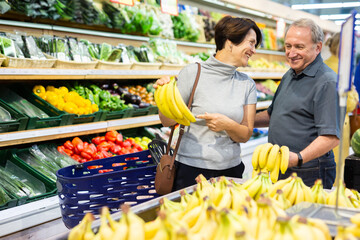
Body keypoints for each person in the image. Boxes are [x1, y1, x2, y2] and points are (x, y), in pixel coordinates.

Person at [154, 15, 262, 191]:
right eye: (251, 43)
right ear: (230, 42)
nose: (253, 50)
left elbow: (245, 134)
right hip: (190, 170)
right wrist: (162, 93)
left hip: (231, 171)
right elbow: (167, 121)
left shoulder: (247, 84)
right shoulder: (192, 73)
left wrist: (228, 125)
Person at [255, 18, 341, 189]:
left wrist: (298, 158)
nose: (291, 53)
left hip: (309, 170)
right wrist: (242, 120)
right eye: (288, 46)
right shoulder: (290, 74)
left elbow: (331, 137)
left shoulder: (327, 82)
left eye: (299, 47)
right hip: (280, 166)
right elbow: (274, 114)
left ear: (317, 48)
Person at [323, 33, 359, 185]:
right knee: (337, 171)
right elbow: (349, 104)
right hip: (337, 126)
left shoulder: (324, 64)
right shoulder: (342, 70)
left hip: (321, 125)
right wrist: (355, 93)